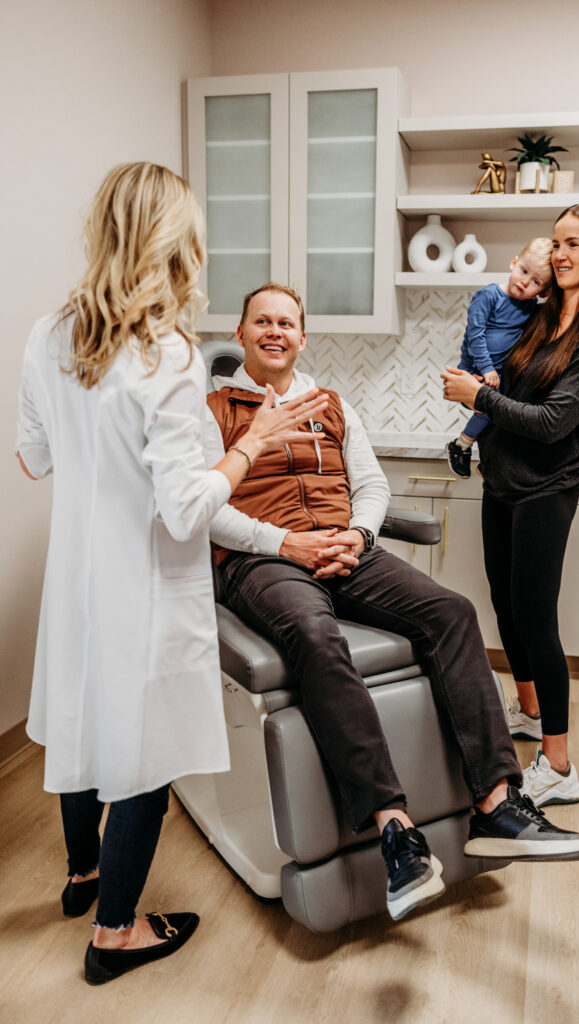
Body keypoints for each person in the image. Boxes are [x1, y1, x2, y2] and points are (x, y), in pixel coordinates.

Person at [14, 163, 327, 985]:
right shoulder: (169, 353)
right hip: (145, 587)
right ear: (173, 242)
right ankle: (114, 933)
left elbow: (31, 458)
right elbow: (186, 509)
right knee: (143, 761)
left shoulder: (48, 334)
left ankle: (84, 875)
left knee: (85, 726)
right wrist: (253, 443)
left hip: (77, 580)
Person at [203, 281, 579, 925]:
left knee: (453, 612)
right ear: (241, 333)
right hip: (264, 559)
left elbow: (371, 483)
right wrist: (287, 544)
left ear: (303, 337)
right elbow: (207, 508)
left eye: (287, 323)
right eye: (262, 322)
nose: (275, 332)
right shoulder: (213, 410)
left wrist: (359, 535)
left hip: (346, 548)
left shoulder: (332, 404)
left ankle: (495, 805)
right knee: (316, 633)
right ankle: (395, 830)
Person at [441, 200, 579, 808]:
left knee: (537, 622)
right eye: (556, 242)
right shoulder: (540, 316)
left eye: (573, 244)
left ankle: (559, 765)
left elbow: (550, 423)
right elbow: (502, 378)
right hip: (501, 483)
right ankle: (529, 709)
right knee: (505, 605)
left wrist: (477, 398)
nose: (561, 254)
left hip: (545, 491)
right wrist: (478, 381)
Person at [446, 238, 553, 478]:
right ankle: (460, 446)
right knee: (487, 411)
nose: (525, 282)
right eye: (524, 271)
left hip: (500, 373)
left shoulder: (530, 305)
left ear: (544, 292)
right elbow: (474, 335)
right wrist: (486, 369)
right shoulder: (489, 295)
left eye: (536, 281)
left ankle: (476, 452)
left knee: (501, 413)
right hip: (476, 367)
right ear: (514, 263)